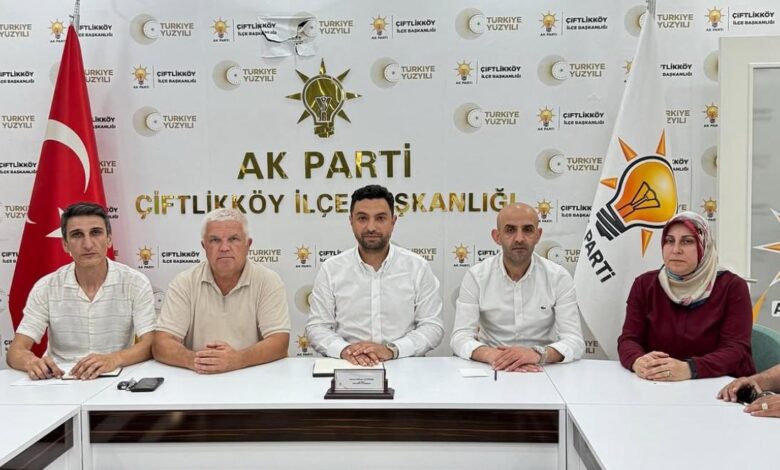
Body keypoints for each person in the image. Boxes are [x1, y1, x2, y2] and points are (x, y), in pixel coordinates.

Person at [7, 202, 156, 380]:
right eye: (77, 235)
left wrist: (114, 359)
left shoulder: (135, 282)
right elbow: (16, 351)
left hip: (115, 377)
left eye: (96, 232)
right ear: (65, 244)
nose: (87, 244)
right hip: (60, 380)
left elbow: (151, 343)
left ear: (109, 239)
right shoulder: (46, 287)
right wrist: (30, 361)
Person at [306, 185, 444, 365]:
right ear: (351, 221)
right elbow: (317, 327)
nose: (371, 227)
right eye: (362, 218)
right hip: (348, 366)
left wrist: (392, 350)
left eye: (380, 218)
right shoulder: (331, 269)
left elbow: (432, 326)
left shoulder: (418, 267)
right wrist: (346, 351)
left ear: (393, 221)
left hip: (403, 365)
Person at [618, 211, 755, 381]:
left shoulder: (732, 287)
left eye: (687, 241)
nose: (676, 250)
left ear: (704, 245)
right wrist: (637, 360)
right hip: (658, 386)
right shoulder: (645, 285)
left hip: (720, 386)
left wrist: (690, 369)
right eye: (669, 241)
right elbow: (629, 339)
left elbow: (736, 350)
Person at [153, 208, 290, 373]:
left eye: (233, 239)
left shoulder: (268, 280)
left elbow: (279, 342)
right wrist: (200, 361)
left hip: (253, 376)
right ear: (204, 246)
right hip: (199, 377)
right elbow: (162, 343)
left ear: (248, 245)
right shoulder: (184, 282)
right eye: (215, 240)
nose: (224, 247)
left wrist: (238, 360)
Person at [451, 203, 585, 371]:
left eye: (527, 230)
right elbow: (460, 337)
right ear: (497, 236)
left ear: (538, 235)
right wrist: (497, 357)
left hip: (542, 368)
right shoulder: (476, 276)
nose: (519, 238)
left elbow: (574, 341)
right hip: (492, 367)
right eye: (510, 230)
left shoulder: (559, 277)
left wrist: (537, 354)